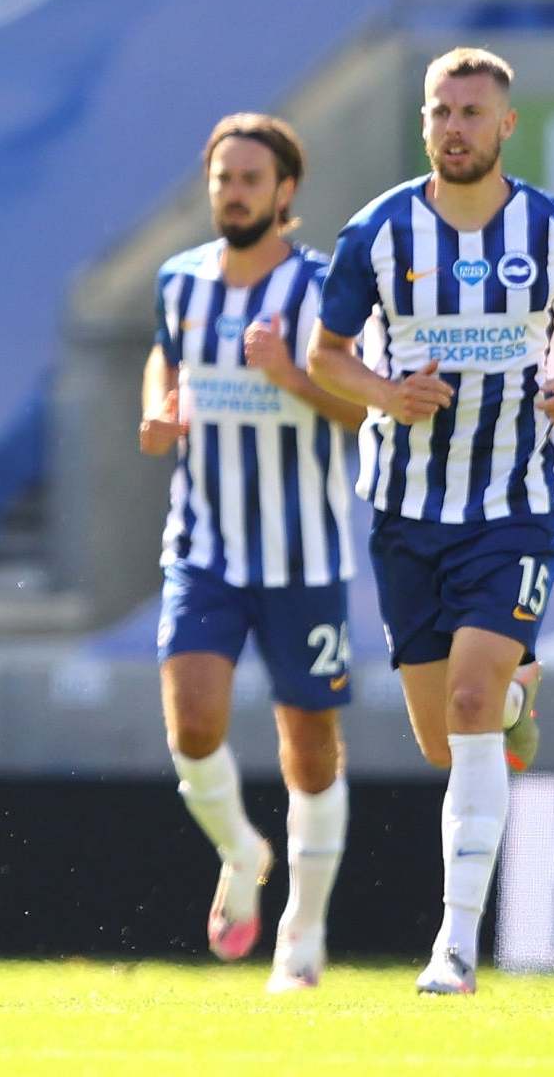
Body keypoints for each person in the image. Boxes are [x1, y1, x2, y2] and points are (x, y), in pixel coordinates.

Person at [308, 48, 554, 995]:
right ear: (424, 124)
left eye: (471, 112)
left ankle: (453, 945)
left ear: (506, 126)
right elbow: (326, 354)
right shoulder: (376, 231)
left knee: (468, 704)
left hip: (518, 503)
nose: (454, 127)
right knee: (443, 740)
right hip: (407, 508)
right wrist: (383, 389)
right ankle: (519, 698)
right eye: (440, 111)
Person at [140, 114, 366, 992]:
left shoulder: (322, 290)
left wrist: (292, 377)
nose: (232, 191)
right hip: (204, 544)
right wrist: (162, 407)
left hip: (303, 555)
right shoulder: (180, 281)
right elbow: (167, 355)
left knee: (309, 747)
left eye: (249, 178)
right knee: (193, 725)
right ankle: (242, 851)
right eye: (222, 177)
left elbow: (367, 407)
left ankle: (302, 934)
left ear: (285, 193)